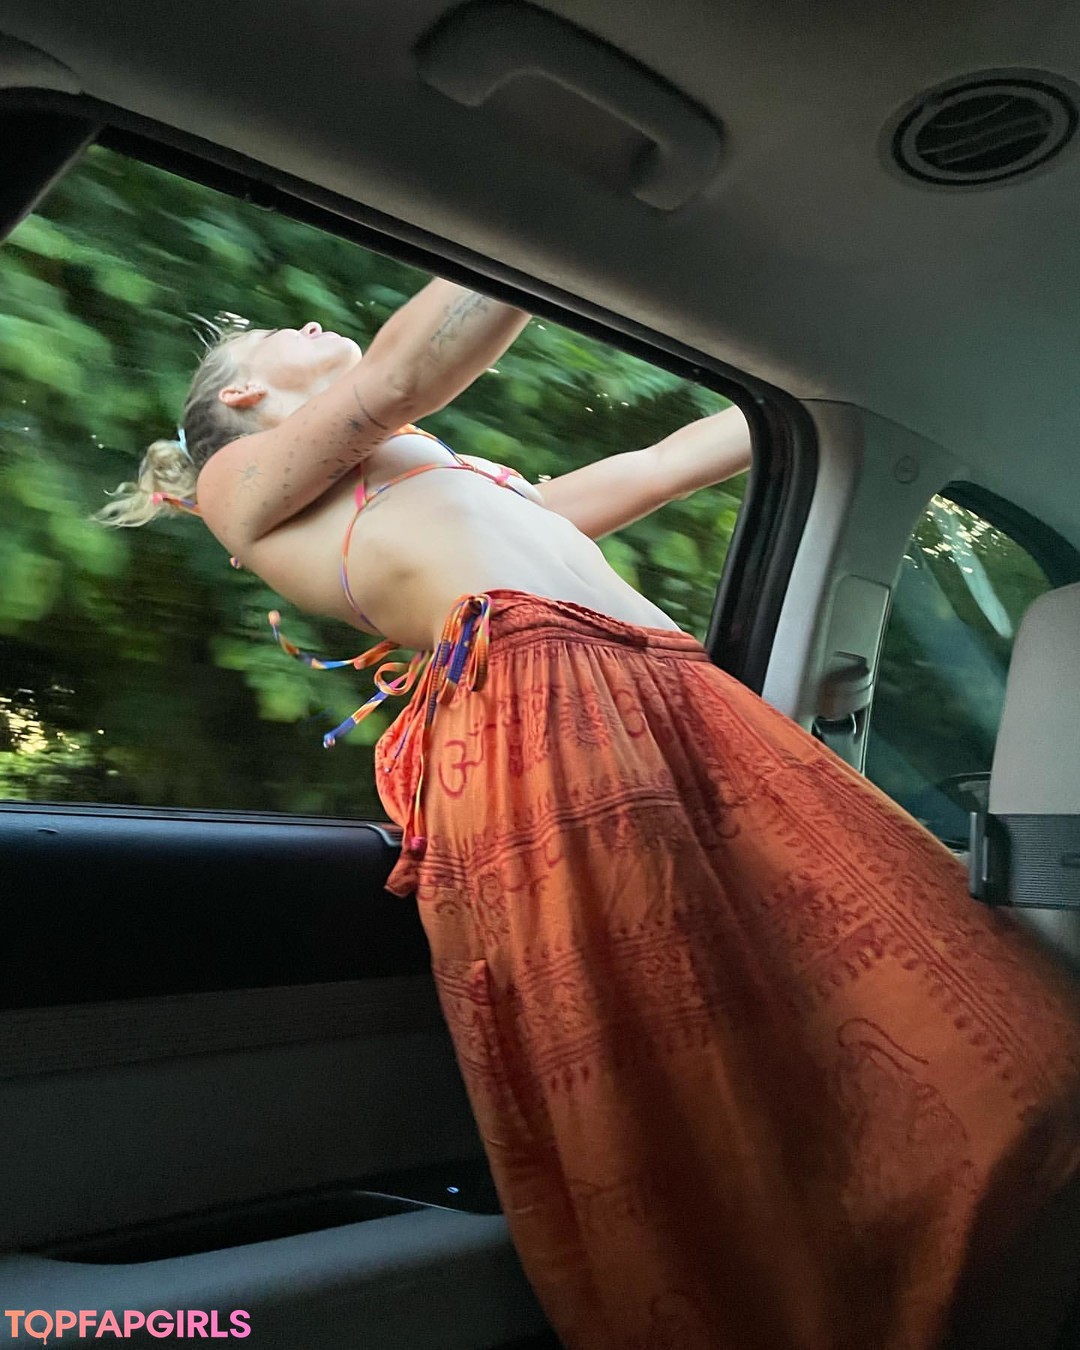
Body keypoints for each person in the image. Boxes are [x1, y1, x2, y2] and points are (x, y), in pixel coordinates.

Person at [100, 280, 1080, 1350]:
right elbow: (402, 374)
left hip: (680, 701)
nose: (309, 322)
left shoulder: (470, 483)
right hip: (554, 714)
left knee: (978, 1026)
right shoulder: (238, 482)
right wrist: (505, 234)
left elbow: (660, 465)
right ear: (241, 396)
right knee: (705, 1076)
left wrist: (851, 384)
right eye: (278, 334)